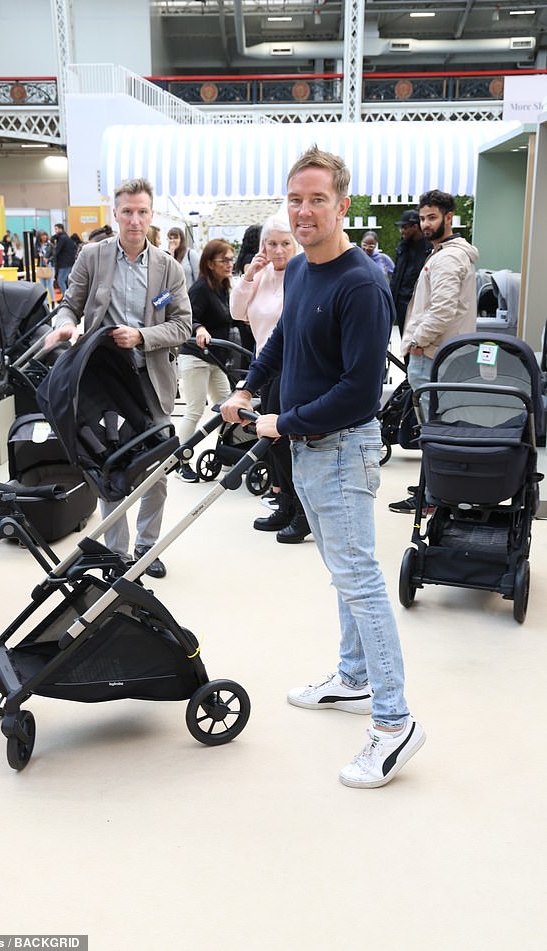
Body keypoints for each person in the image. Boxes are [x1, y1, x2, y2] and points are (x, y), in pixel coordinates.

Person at [221, 146, 425, 789]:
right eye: (295, 200)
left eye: (317, 200)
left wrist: (284, 421)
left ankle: (395, 724)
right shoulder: (305, 268)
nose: (304, 212)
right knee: (344, 573)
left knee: (359, 579)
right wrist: (249, 388)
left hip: (340, 450)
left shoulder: (361, 284)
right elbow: (282, 338)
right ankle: (354, 677)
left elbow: (363, 394)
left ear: (342, 205)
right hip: (313, 449)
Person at [44, 177, 191, 578]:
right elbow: (69, 305)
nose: (135, 220)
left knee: (157, 466)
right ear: (116, 213)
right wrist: (67, 326)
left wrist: (142, 336)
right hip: (103, 381)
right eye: (127, 211)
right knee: (109, 464)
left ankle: (147, 547)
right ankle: (116, 552)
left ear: (151, 214)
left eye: (142, 212)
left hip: (151, 380)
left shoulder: (168, 268)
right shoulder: (92, 256)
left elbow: (182, 326)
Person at [389, 190, 479, 514]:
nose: (426, 224)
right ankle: (433, 489)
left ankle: (433, 497)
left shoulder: (449, 257)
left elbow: (441, 310)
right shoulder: (443, 253)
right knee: (438, 429)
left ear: (448, 217)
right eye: (423, 217)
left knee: (435, 431)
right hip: (438, 355)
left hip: (433, 356)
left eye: (432, 217)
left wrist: (416, 342)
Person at [230, 215, 310, 543]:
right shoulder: (261, 276)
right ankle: (285, 504)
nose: (278, 250)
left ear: (296, 244)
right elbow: (236, 312)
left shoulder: (303, 274)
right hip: (265, 365)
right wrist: (249, 275)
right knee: (273, 445)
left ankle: (302, 512)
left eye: (284, 243)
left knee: (286, 442)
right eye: (272, 243)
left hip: (295, 369)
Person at [175, 239, 234, 482]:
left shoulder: (224, 287)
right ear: (210, 263)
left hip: (216, 359)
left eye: (232, 259)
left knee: (229, 409)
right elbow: (188, 316)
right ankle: (179, 461)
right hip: (196, 357)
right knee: (195, 409)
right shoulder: (200, 288)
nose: (230, 264)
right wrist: (199, 328)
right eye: (224, 260)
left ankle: (227, 454)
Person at [390, 210, 432, 337]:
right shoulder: (403, 247)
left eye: (405, 227)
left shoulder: (429, 248)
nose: (402, 231)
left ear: (415, 226)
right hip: (402, 303)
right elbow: (396, 275)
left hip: (420, 304)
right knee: (405, 341)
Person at [52, 223, 77, 296]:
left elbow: (57, 250)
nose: (55, 231)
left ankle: (66, 297)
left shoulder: (62, 238)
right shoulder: (66, 237)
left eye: (56, 229)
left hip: (64, 263)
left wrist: (52, 257)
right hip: (69, 262)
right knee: (66, 280)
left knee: (61, 280)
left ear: (60, 229)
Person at [36, 231, 56, 307]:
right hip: (41, 266)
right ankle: (46, 303)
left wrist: (48, 259)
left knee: (50, 285)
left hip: (49, 266)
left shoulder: (50, 245)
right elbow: (34, 254)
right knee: (43, 286)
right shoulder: (38, 246)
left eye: (45, 235)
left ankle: (53, 301)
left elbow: (54, 255)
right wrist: (39, 255)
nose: (44, 237)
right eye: (42, 235)